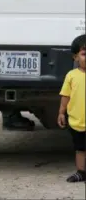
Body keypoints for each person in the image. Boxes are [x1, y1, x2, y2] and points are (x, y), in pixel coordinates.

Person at [57, 34, 86, 183]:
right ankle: (81, 172)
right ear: (75, 57)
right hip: (77, 121)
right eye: (84, 54)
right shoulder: (71, 76)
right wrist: (61, 112)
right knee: (80, 149)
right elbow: (65, 96)